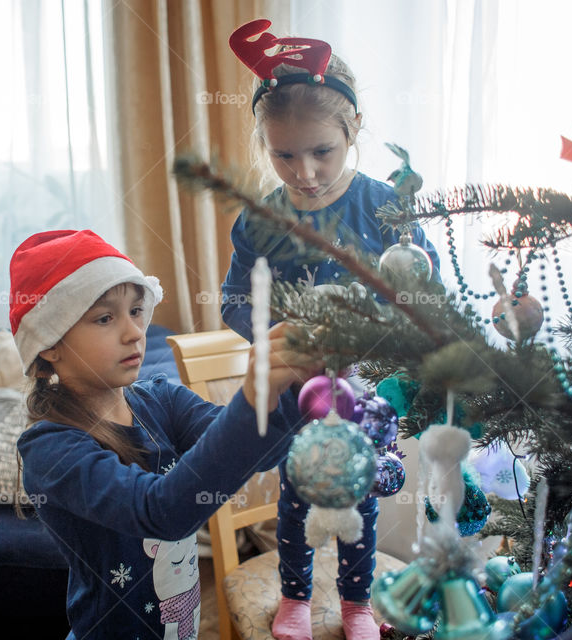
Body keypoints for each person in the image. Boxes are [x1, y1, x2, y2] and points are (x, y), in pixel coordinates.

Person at [221, 20, 442, 640]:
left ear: (353, 132)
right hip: (297, 391)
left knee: (359, 501)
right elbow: (234, 301)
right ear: (264, 143)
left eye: (323, 151)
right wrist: (279, 333)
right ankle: (293, 599)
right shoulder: (260, 218)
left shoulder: (385, 207)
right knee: (295, 499)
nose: (306, 172)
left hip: (367, 393)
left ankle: (355, 607)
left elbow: (429, 287)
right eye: (283, 154)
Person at [10, 229, 322, 640]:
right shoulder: (51, 450)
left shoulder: (162, 400)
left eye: (137, 311)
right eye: (105, 318)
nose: (134, 331)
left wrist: (298, 387)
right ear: (50, 344)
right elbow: (162, 514)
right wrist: (251, 396)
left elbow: (257, 453)